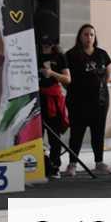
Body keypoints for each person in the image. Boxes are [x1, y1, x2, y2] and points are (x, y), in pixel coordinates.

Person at [64, 24, 111, 176]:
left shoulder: (101, 54)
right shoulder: (71, 55)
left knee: (98, 132)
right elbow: (65, 79)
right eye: (85, 34)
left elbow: (108, 74)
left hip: (100, 101)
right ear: (80, 36)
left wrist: (100, 87)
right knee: (77, 133)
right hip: (77, 101)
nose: (89, 37)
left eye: (92, 34)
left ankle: (99, 162)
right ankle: (72, 164)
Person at [38, 34, 70, 179]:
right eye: (44, 44)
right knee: (37, 135)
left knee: (54, 136)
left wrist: (51, 73)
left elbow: (67, 79)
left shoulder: (59, 56)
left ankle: (55, 165)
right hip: (38, 98)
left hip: (53, 99)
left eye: (49, 44)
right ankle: (41, 165)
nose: (46, 46)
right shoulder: (35, 54)